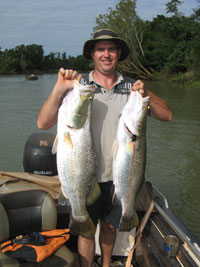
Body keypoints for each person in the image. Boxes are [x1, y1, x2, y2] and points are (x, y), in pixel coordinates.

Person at [37, 29, 172, 267]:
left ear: (119, 53)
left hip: (119, 175)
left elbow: (167, 115)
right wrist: (59, 88)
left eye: (111, 49)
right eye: (101, 49)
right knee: (87, 232)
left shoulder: (132, 88)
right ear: (92, 54)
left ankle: (107, 264)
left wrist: (145, 93)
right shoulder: (78, 88)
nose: (106, 54)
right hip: (82, 174)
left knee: (110, 227)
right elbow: (43, 123)